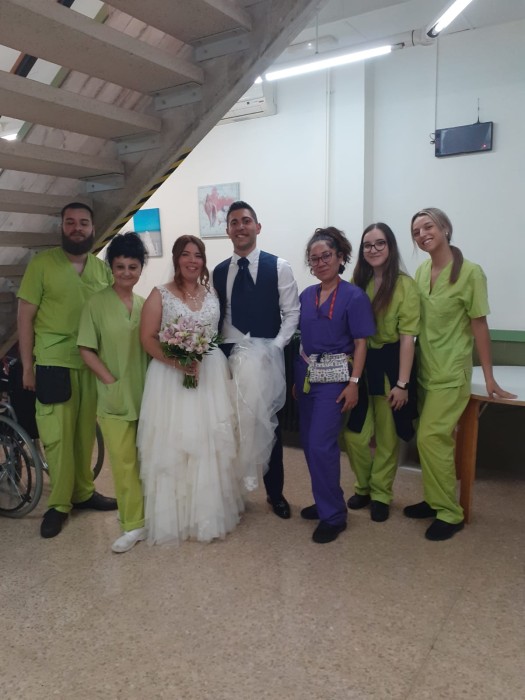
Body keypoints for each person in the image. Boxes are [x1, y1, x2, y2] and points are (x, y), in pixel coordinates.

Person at [405, 207, 516, 540]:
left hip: (451, 374)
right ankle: (433, 500)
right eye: (416, 231)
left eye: (428, 227)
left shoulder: (470, 273)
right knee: (430, 441)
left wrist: (489, 377)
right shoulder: (422, 271)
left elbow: (479, 325)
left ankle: (450, 513)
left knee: (431, 438)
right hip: (425, 370)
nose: (422, 234)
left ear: (445, 228)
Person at [17, 202, 117, 539]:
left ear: (93, 228)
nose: (77, 228)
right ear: (61, 227)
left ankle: (84, 492)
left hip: (89, 364)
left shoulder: (101, 270)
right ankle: (59, 504)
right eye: (70, 222)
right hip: (53, 363)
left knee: (85, 434)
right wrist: (27, 366)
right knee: (58, 437)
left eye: (83, 223)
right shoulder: (42, 265)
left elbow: (109, 316)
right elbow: (25, 317)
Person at [138, 235, 244, 545]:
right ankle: (177, 515)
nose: (192, 260)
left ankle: (208, 512)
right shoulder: (160, 294)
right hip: (171, 377)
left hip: (209, 373)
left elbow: (215, 333)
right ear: (176, 258)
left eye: (198, 255)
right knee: (176, 442)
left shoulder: (211, 294)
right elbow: (147, 338)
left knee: (209, 439)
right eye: (186, 254)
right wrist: (178, 361)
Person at [213, 201, 300, 518]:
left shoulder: (279, 266)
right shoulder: (219, 271)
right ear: (227, 231)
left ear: (257, 227)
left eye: (246, 220)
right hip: (226, 356)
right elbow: (218, 316)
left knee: (267, 426)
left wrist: (274, 348)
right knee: (230, 426)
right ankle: (234, 493)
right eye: (234, 222)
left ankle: (275, 494)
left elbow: (292, 314)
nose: (241, 226)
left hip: (265, 357)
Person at [295, 227, 375, 543]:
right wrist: (297, 380)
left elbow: (361, 343)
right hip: (306, 376)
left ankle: (334, 516)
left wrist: (354, 382)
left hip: (336, 379)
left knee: (321, 444)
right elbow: (302, 338)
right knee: (309, 444)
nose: (320, 262)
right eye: (314, 259)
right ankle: (326, 500)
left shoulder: (354, 297)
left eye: (326, 256)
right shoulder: (306, 296)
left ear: (341, 257)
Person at [341, 223, 420, 522]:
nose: (373, 249)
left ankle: (381, 494)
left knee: (387, 438)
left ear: (390, 246)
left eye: (380, 243)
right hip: (361, 366)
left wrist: (402, 383)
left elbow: (408, 339)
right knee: (355, 436)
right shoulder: (357, 282)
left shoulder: (404, 285)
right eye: (367, 245)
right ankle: (363, 486)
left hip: (391, 367)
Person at [78, 233, 149, 553]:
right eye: (120, 266)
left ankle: (146, 516)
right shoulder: (96, 304)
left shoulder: (144, 305)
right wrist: (110, 381)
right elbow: (86, 349)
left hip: (146, 394)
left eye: (132, 267)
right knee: (124, 463)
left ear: (140, 268)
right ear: (111, 268)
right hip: (115, 397)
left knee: (146, 460)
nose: (126, 273)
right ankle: (132, 525)